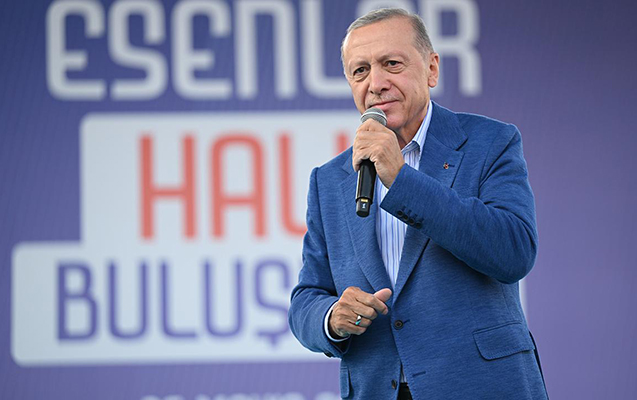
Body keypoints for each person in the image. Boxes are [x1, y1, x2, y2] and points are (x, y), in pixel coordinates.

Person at [288, 8, 548, 400]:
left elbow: (514, 252)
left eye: (391, 64)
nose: (376, 83)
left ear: (431, 69)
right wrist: (331, 318)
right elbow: (306, 297)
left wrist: (401, 179)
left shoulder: (491, 142)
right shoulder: (329, 180)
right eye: (360, 71)